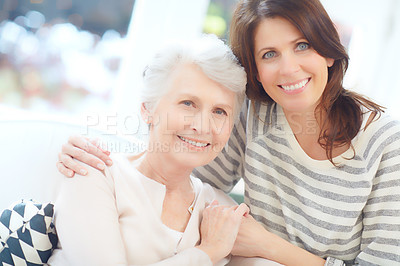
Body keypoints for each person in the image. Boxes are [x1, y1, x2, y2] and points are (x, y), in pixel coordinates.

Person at [57, 0, 400, 265]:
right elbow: (177, 166)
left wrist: (264, 244)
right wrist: (102, 159)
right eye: (269, 54)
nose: (289, 68)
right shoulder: (254, 112)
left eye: (303, 45)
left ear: (327, 49)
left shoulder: (385, 143)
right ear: (256, 73)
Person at [48, 34, 257, 266]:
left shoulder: (223, 212)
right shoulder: (94, 172)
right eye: (188, 103)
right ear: (148, 109)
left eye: (220, 111)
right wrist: (208, 252)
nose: (203, 126)